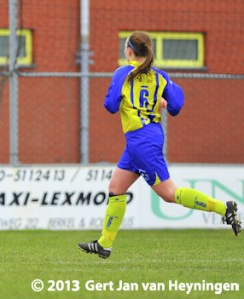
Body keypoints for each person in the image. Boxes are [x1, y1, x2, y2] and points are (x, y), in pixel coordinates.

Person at [78, 31, 241, 259]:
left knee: (169, 193)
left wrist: (125, 99)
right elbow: (176, 105)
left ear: (129, 51)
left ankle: (225, 209)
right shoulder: (160, 76)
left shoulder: (123, 73)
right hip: (146, 136)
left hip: (141, 141)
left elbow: (111, 105)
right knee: (116, 188)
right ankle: (105, 244)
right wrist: (159, 100)